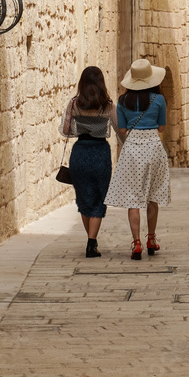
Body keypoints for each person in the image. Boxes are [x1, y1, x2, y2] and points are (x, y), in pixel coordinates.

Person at [105, 58, 171, 260]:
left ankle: (136, 244)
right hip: (153, 147)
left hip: (132, 149)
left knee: (133, 199)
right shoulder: (159, 100)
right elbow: (161, 128)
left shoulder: (122, 101)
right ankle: (151, 238)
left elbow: (122, 130)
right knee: (152, 196)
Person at [61, 66, 118, 258]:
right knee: (98, 198)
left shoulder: (74, 104)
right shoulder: (108, 106)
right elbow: (119, 129)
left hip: (80, 153)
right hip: (100, 154)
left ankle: (91, 241)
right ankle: (92, 242)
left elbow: (65, 130)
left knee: (84, 198)